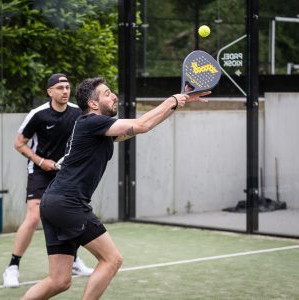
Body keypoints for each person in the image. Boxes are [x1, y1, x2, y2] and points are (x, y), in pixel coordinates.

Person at [21, 77, 210, 299]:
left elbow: (141, 128)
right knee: (112, 259)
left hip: (53, 203)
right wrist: (172, 100)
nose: (114, 96)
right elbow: (141, 124)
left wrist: (179, 101)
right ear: (93, 104)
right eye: (107, 93)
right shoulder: (92, 122)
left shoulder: (97, 129)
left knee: (59, 281)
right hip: (68, 204)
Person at [3, 73, 93, 288]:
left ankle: (72, 261)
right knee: (34, 217)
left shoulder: (77, 113)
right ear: (49, 91)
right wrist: (41, 161)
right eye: (60, 88)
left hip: (66, 174)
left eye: (67, 87)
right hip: (40, 172)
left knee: (72, 216)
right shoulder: (38, 115)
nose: (65, 91)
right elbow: (19, 143)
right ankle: (12, 267)